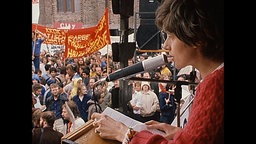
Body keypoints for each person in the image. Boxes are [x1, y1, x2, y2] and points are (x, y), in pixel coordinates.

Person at [91, 0, 224, 143]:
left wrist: (123, 133)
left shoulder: (216, 88)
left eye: (171, 36)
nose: (166, 45)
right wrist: (182, 134)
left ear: (196, 36)